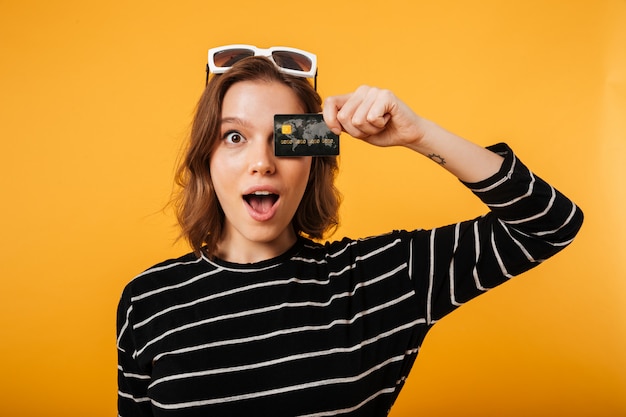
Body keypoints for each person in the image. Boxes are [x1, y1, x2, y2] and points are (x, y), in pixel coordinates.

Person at [117, 45, 584, 417]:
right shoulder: (148, 300)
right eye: (234, 137)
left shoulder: (378, 279)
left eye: (286, 139)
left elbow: (549, 224)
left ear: (314, 159)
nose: (262, 162)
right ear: (206, 158)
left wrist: (419, 134)